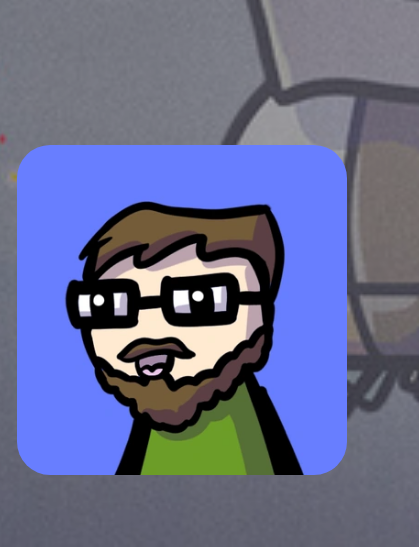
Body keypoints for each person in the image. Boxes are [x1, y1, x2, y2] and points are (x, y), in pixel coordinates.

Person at [67, 202, 303, 475]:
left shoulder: (245, 448)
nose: (150, 329)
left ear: (260, 315)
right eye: (108, 304)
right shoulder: (149, 434)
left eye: (199, 300)